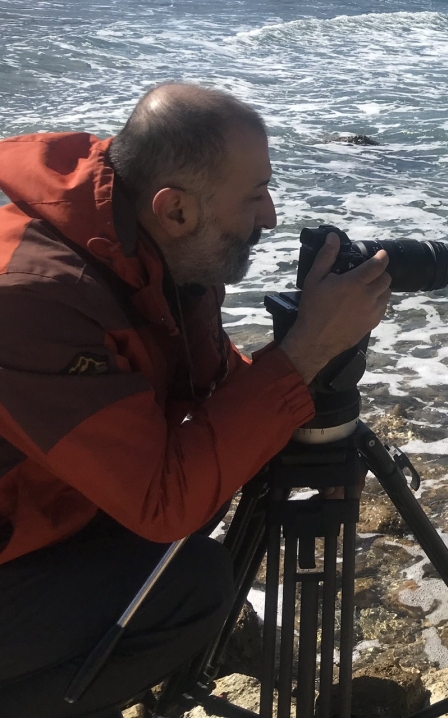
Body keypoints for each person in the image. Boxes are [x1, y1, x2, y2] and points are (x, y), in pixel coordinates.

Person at [0, 83, 393, 717]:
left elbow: (207, 385)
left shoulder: (149, 251)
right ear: (175, 208)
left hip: (38, 515)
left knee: (203, 506)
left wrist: (299, 383)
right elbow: (163, 501)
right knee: (191, 588)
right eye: (254, 195)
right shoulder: (30, 298)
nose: (269, 215)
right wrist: (304, 353)